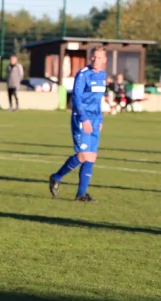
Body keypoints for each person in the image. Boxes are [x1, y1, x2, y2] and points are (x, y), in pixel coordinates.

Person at [49, 46, 107, 203]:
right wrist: (84, 118)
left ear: (104, 60)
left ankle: (81, 194)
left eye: (99, 57)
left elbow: (98, 100)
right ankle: (56, 177)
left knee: (92, 157)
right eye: (93, 57)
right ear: (90, 58)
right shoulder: (83, 74)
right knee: (83, 155)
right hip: (82, 118)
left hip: (95, 119)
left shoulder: (102, 75)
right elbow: (76, 97)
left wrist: (100, 119)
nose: (96, 60)